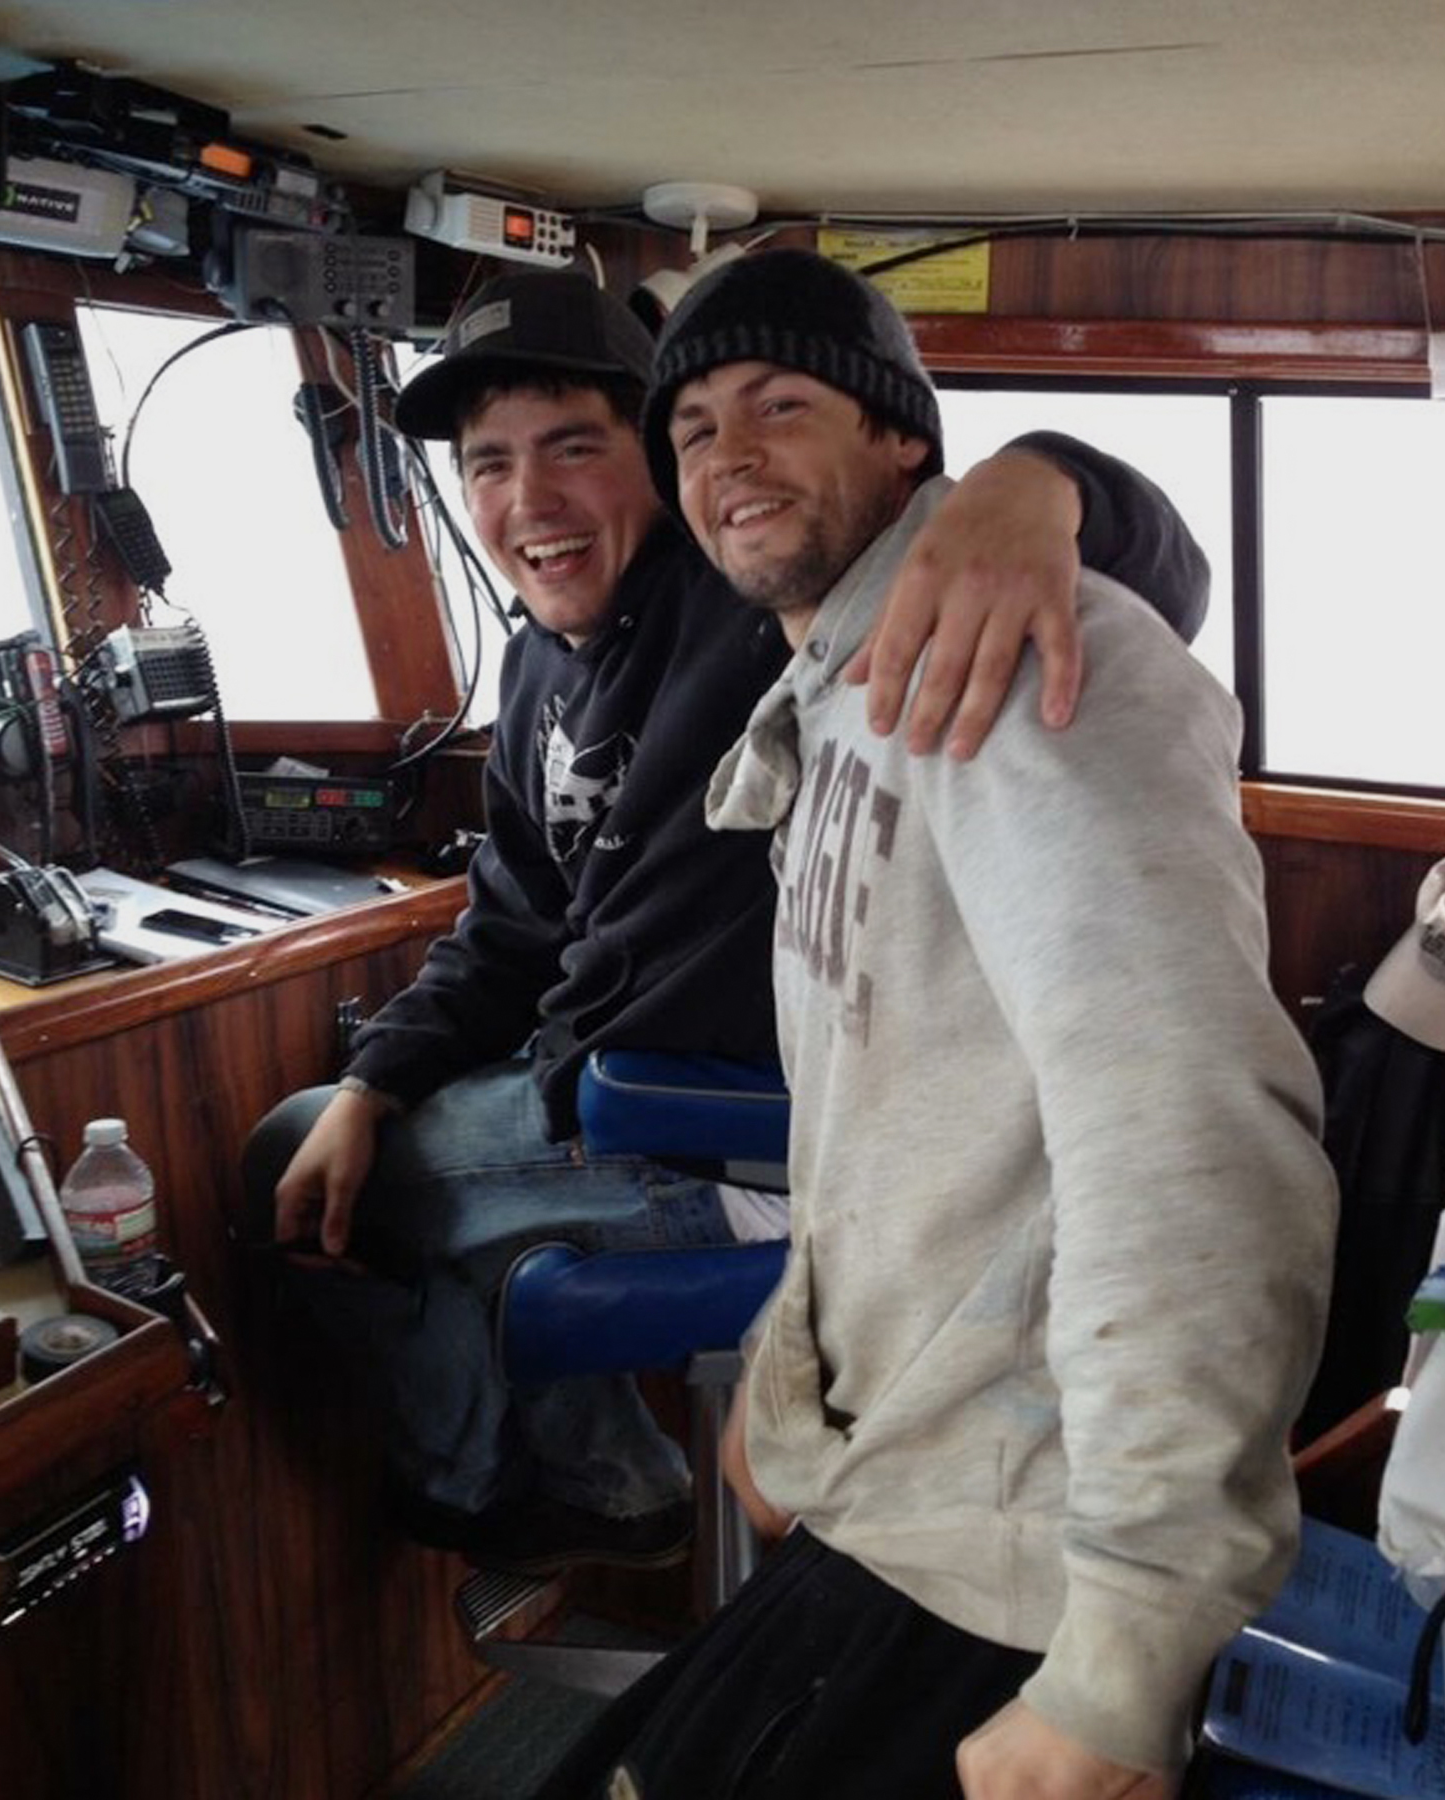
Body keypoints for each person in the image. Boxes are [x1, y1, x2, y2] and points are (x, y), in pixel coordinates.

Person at [242, 267, 1210, 1576]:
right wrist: (375, 1079)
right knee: (321, 1142)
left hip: (748, 1140)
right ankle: (601, 1481)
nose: (528, 501)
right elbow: (513, 932)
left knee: (286, 1175)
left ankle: (496, 1489)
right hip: (597, 1092)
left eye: (576, 448)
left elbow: (1158, 572)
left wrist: (1042, 480)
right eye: (488, 466)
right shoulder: (534, 672)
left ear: (660, 463)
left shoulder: (768, 603)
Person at [534, 249, 1338, 1797]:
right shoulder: (839, 690)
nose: (732, 456)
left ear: (905, 438)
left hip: (1019, 1550)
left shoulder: (1017, 661)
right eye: (694, 427)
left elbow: (1191, 1142)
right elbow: (896, 1124)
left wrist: (1126, 1661)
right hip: (895, 1479)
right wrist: (791, 1374)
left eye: (783, 403)